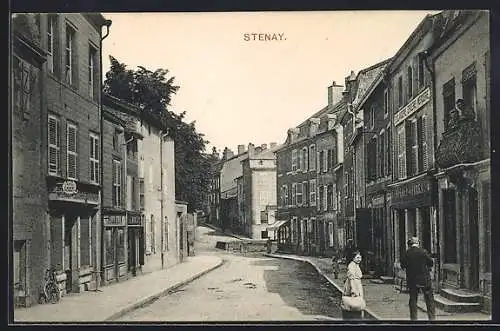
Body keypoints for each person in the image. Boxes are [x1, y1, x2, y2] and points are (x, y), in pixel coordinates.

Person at [400, 237, 436, 321]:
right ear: (418, 243)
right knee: (429, 300)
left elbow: (402, 265)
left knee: (413, 299)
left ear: (410, 244)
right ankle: (432, 319)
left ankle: (414, 319)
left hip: (412, 280)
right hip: (424, 280)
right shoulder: (423, 252)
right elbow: (431, 262)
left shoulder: (407, 253)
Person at [342, 250, 365, 320]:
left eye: (360, 258)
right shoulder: (352, 266)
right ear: (353, 258)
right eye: (357, 258)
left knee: (354, 304)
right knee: (353, 304)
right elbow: (352, 280)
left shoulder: (356, 265)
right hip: (353, 287)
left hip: (357, 286)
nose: (359, 259)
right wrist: (354, 292)